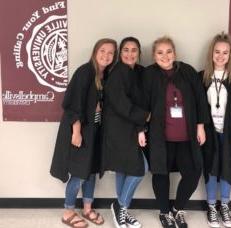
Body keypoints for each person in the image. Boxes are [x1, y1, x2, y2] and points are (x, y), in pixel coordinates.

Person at [142, 36, 209, 228]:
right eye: (160, 52)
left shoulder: (187, 71)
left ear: (175, 53)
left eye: (169, 51)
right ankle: (164, 212)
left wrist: (200, 126)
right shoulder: (148, 74)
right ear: (154, 56)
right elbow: (141, 104)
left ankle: (178, 209)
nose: (165, 56)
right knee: (160, 174)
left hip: (186, 136)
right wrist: (140, 129)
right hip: (160, 136)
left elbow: (200, 100)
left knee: (194, 172)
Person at [50, 38, 117, 228]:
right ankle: (68, 211)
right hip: (81, 130)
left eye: (111, 52)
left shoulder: (105, 76)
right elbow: (73, 105)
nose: (106, 55)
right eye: (102, 50)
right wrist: (76, 132)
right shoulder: (85, 72)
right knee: (79, 173)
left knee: (92, 171)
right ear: (95, 52)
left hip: (96, 131)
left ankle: (87, 208)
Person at [199, 32, 231, 228]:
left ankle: (225, 206)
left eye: (225, 53)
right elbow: (197, 105)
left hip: (229, 132)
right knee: (211, 168)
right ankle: (212, 206)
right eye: (217, 52)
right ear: (211, 53)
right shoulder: (202, 77)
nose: (220, 56)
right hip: (209, 132)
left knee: (227, 167)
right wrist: (201, 127)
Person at [101, 37, 150, 228]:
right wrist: (145, 117)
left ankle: (122, 210)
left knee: (123, 169)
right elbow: (123, 105)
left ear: (139, 53)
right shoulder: (118, 73)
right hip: (118, 130)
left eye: (134, 50)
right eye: (126, 50)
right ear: (120, 54)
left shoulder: (137, 72)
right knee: (139, 169)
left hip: (130, 127)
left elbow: (137, 100)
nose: (130, 54)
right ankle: (120, 206)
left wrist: (140, 129)